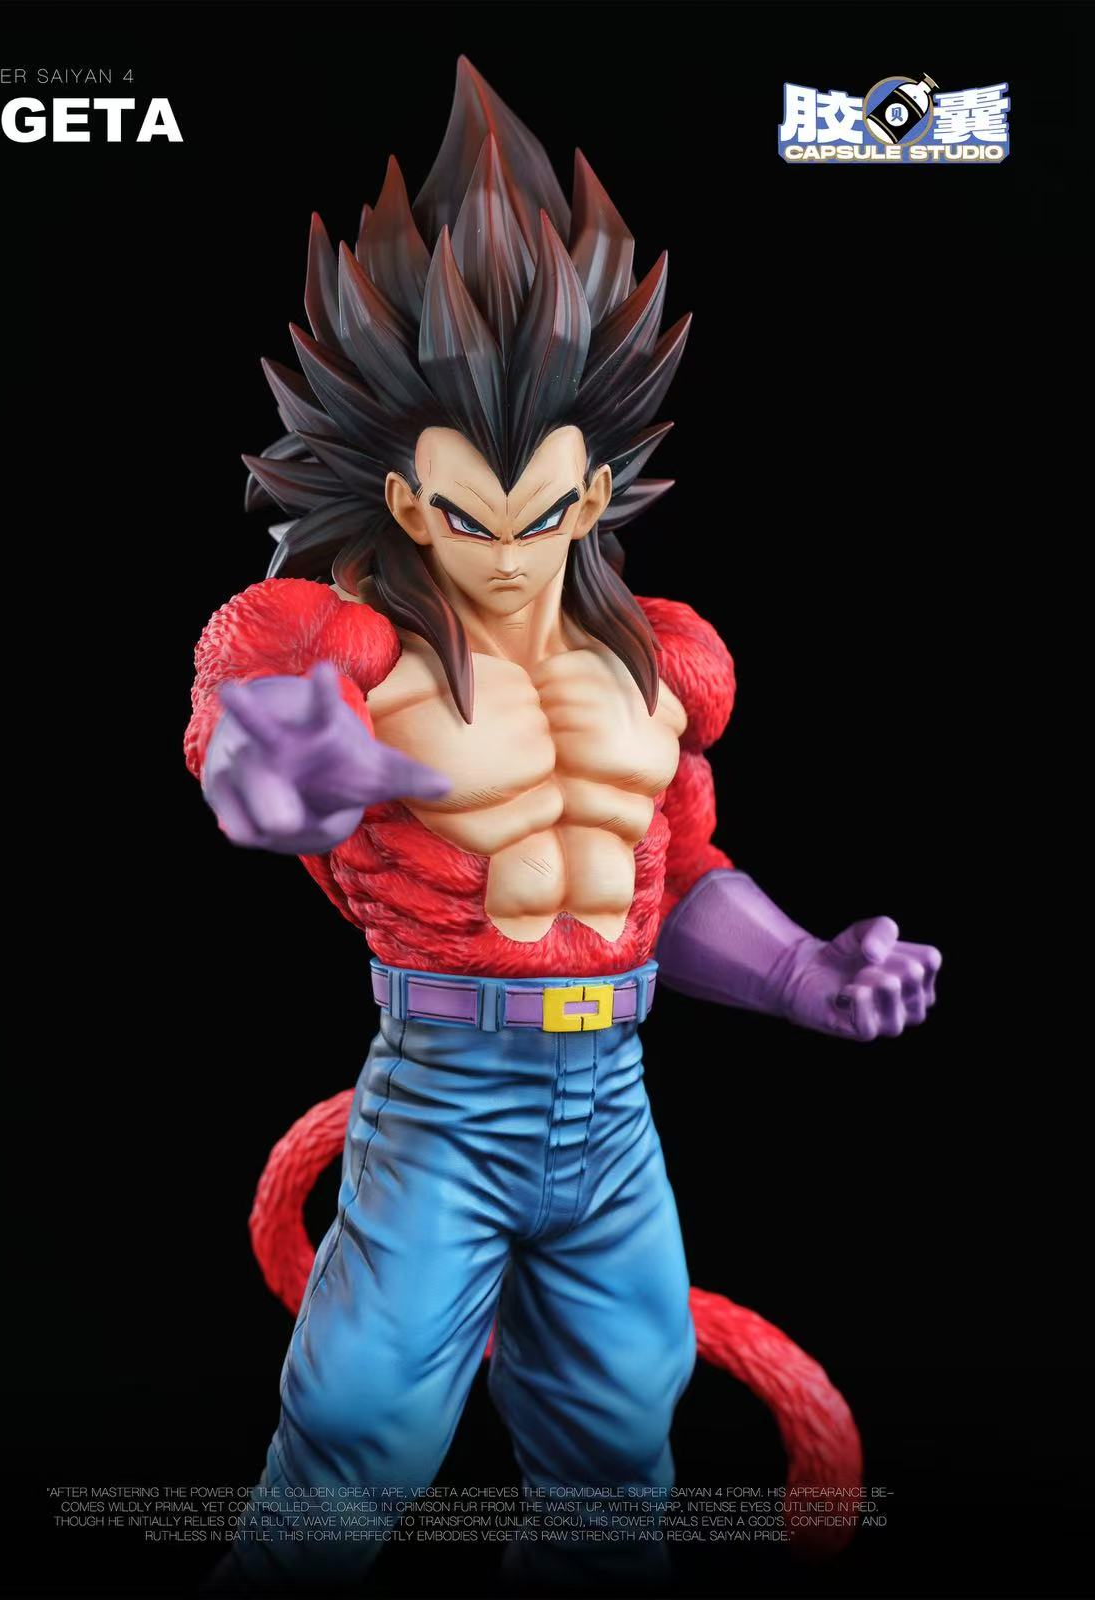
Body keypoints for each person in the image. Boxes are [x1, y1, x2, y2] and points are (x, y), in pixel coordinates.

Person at [188, 58, 941, 1594]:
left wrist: (804, 973)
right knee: (353, 1438)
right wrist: (274, 773)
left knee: (614, 1455)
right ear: (407, 502)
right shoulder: (337, 641)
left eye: (544, 513)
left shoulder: (659, 663)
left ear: (597, 492)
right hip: (443, 1102)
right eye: (470, 518)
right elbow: (241, 726)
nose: (511, 554)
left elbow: (675, 873)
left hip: (611, 1108)